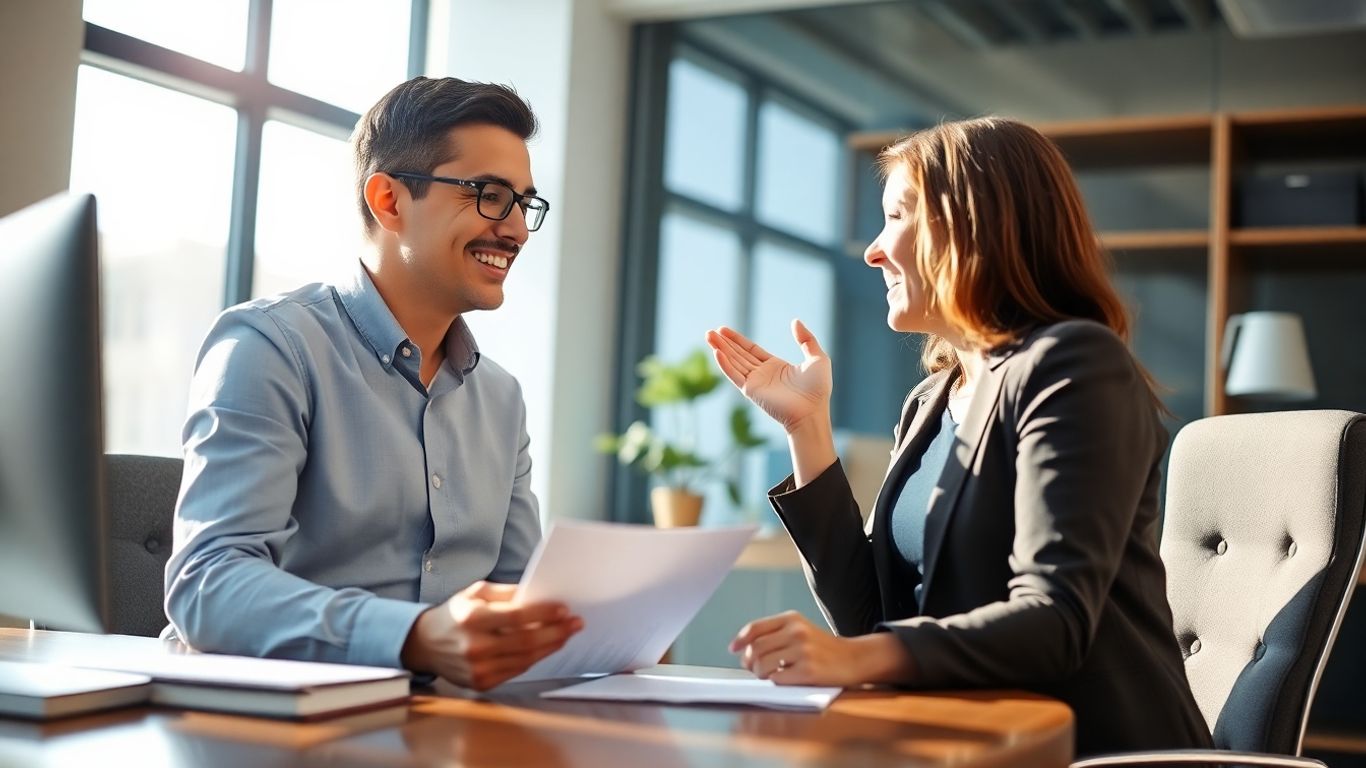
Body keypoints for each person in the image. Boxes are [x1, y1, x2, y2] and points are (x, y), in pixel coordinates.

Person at [707, 117, 1211, 755]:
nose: (873, 249)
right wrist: (808, 428)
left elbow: (1055, 622)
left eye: (898, 216)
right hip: (963, 742)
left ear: (973, 223)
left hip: (1088, 751)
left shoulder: (1074, 363)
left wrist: (855, 659)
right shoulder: (930, 401)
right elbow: (870, 622)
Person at [163, 77, 582, 691]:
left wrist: (599, 624)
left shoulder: (500, 398)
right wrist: (415, 637)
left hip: (442, 726)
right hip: (277, 727)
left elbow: (516, 593)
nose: (516, 230)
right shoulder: (270, 347)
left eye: (525, 203)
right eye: (490, 196)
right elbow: (208, 584)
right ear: (388, 200)